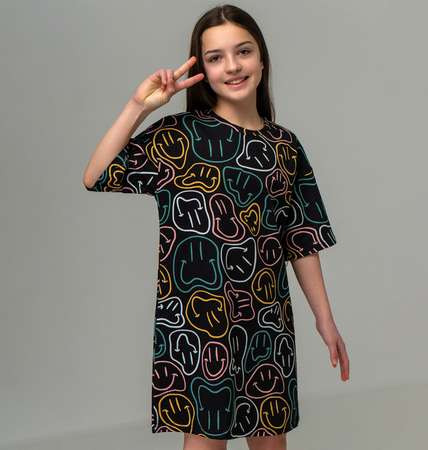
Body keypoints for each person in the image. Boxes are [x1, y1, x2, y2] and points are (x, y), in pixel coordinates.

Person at [82, 4, 350, 450]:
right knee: (205, 440)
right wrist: (138, 107)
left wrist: (326, 319)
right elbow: (96, 176)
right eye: (215, 57)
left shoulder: (284, 147)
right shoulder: (179, 137)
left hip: (266, 322)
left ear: (261, 59)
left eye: (243, 51)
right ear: (203, 70)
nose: (232, 66)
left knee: (271, 440)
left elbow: (302, 238)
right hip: (198, 325)